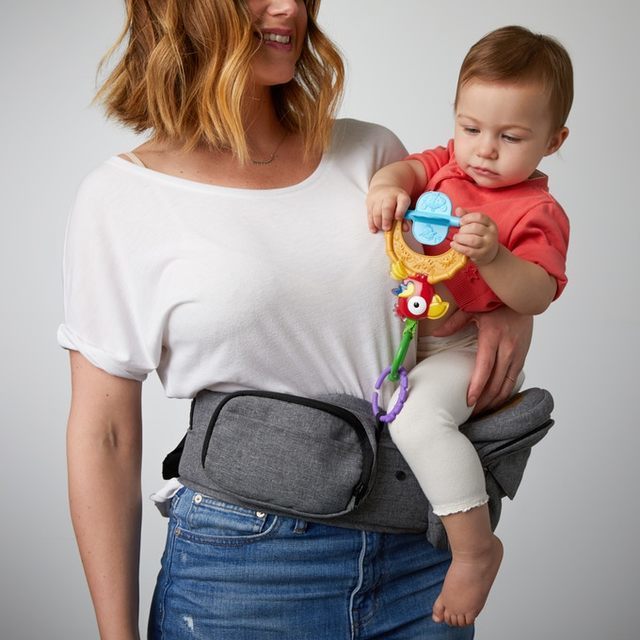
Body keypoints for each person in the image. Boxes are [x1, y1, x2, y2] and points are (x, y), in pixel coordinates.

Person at [60, 3, 534, 638]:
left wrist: (507, 308)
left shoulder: (376, 157)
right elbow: (105, 434)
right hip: (244, 575)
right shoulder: (122, 197)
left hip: (421, 562)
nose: (289, 6)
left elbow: (454, 279)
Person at [366, 25, 572, 628]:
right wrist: (387, 188)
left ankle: (475, 549)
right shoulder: (446, 165)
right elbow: (405, 169)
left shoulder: (536, 211)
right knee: (375, 403)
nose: (484, 150)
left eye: (510, 137)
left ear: (553, 141)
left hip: (465, 344)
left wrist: (497, 259)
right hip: (413, 332)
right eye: (471, 127)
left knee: (417, 421)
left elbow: (538, 293)